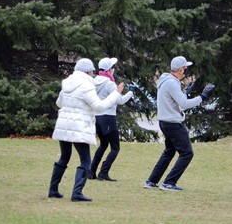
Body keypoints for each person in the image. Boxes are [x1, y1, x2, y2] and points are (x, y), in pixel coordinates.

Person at [48, 58, 124, 202]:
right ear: (88, 71)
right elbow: (99, 106)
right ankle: (77, 193)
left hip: (64, 126)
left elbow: (59, 103)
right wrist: (116, 94)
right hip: (79, 127)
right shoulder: (86, 85)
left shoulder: (67, 84)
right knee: (85, 161)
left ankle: (53, 189)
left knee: (64, 157)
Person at [144, 56, 215, 191]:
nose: (186, 70)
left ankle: (151, 181)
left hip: (165, 122)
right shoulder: (172, 82)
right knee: (187, 153)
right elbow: (184, 104)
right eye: (185, 68)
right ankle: (169, 182)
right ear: (181, 69)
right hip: (172, 123)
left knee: (169, 151)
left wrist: (187, 93)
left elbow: (178, 102)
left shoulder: (167, 81)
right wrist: (203, 96)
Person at [88, 57, 134, 182]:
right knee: (115, 147)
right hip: (108, 117)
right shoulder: (109, 83)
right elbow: (120, 100)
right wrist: (130, 93)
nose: (113, 69)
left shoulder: (93, 81)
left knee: (103, 144)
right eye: (112, 67)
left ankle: (91, 171)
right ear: (109, 69)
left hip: (97, 117)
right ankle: (103, 172)